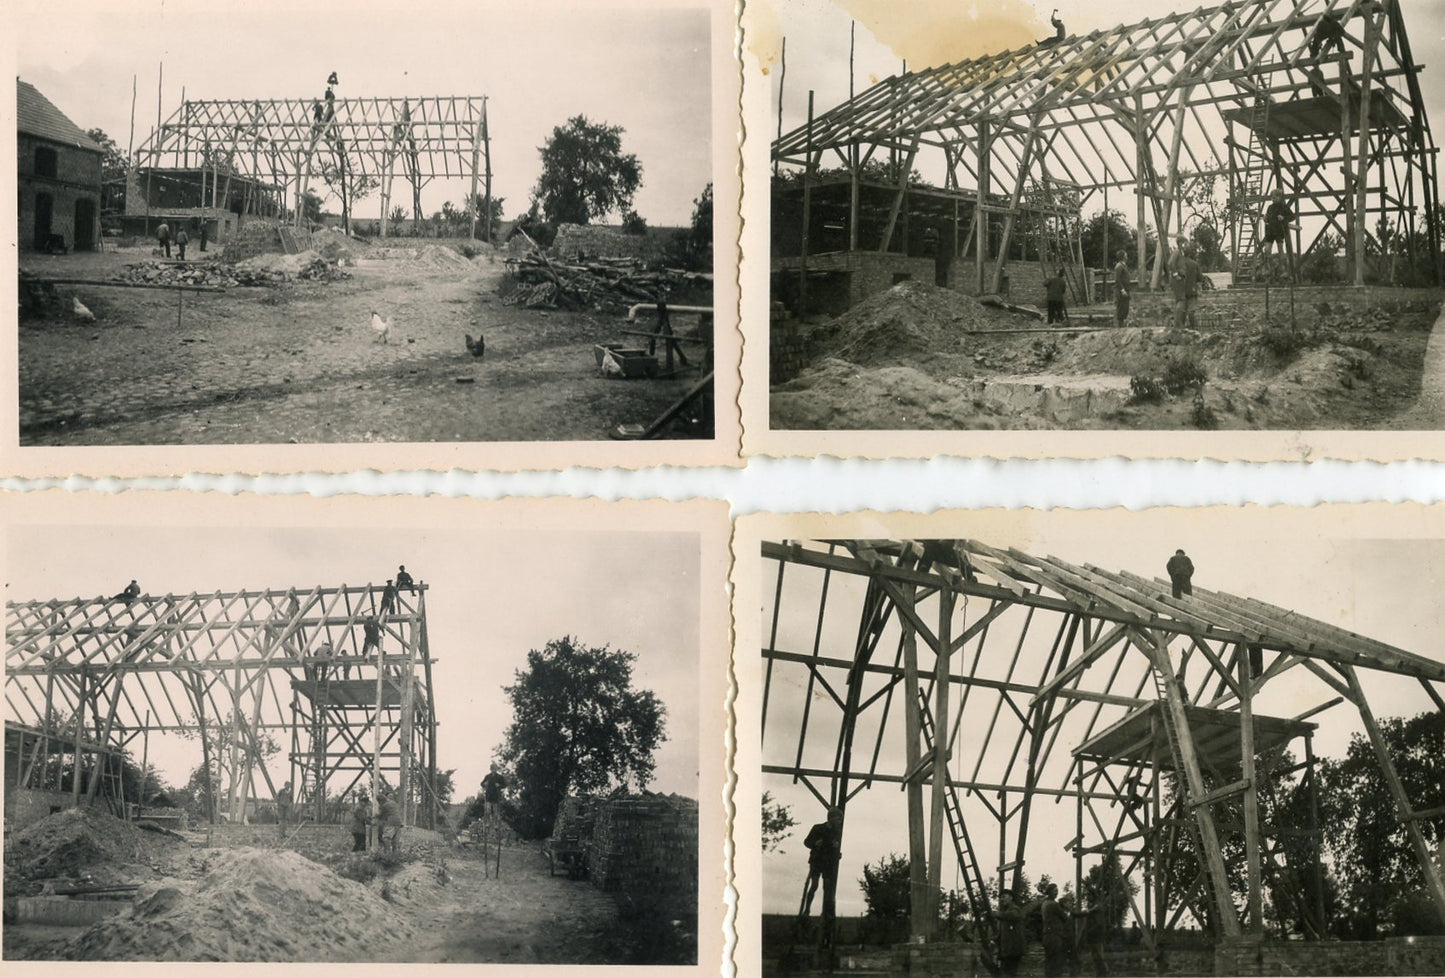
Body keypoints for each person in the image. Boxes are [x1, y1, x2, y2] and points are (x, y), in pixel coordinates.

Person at [798, 807, 843, 918]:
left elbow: (835, 848)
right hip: (817, 860)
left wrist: (837, 854)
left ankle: (825, 912)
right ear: (831, 818)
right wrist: (815, 844)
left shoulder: (836, 832)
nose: (839, 821)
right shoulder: (817, 828)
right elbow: (806, 842)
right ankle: (807, 910)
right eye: (838, 819)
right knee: (814, 885)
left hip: (828, 862)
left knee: (827, 887)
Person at [1260, 190, 1297, 279]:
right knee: (1267, 250)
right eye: (1272, 197)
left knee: (1280, 249)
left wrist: (1283, 217)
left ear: (1279, 197)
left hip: (1279, 230)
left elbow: (1293, 217)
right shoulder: (1270, 207)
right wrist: (1265, 218)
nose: (1273, 199)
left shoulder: (1284, 207)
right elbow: (1268, 217)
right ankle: (1269, 270)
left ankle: (1283, 270)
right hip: (1270, 231)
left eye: (1275, 197)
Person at [1041, 882, 1071, 978]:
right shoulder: (1053, 904)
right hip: (1055, 936)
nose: (1056, 893)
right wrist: (1067, 909)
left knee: (1049, 960)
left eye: (1057, 891)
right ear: (1049, 892)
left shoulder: (1044, 903)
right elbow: (1065, 918)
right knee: (1057, 961)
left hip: (1046, 934)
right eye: (1054, 891)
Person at [995, 889, 1027, 977]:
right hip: (1007, 949)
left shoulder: (1015, 909)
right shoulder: (1006, 911)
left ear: (1011, 898)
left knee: (1010, 974)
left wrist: (997, 914)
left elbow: (1012, 915)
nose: (1002, 899)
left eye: (1004, 897)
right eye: (1001, 898)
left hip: (1013, 950)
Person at [1170, 243, 1201, 329]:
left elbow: (1173, 274)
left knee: (1181, 311)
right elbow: (1199, 278)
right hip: (1191, 290)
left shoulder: (1179, 264)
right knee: (1191, 310)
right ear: (1191, 253)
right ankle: (1193, 328)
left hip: (1181, 290)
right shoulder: (1195, 264)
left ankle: (1181, 328)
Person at [377, 787, 402, 853]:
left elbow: (381, 816)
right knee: (395, 840)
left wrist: (375, 816)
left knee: (386, 838)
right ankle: (395, 855)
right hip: (398, 822)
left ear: (381, 801)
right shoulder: (393, 802)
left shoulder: (385, 805)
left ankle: (387, 852)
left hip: (391, 822)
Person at [1112, 250, 1131, 328]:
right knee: (1121, 309)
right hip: (1121, 292)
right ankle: (1120, 328)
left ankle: (1122, 327)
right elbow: (1117, 280)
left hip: (1126, 290)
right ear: (1123, 257)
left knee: (1125, 308)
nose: (1127, 256)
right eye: (1125, 255)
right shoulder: (1119, 266)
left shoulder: (1124, 266)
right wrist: (1122, 290)